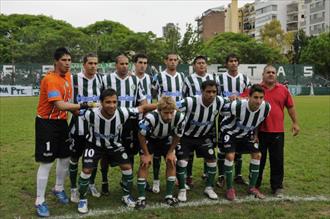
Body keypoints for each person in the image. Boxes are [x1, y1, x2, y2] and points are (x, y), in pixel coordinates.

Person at [34, 47, 95, 217]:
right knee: (46, 162)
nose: (67, 63)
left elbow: (67, 104)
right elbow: (59, 104)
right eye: (64, 60)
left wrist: (75, 111)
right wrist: (83, 106)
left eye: (69, 60)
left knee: (65, 157)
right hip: (46, 124)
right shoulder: (50, 80)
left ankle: (58, 188)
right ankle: (39, 200)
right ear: (56, 61)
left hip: (62, 122)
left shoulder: (68, 76)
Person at [76, 88, 156, 214]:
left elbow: (142, 108)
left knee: (127, 167)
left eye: (114, 102)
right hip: (94, 145)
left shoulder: (123, 112)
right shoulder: (91, 113)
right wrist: (86, 105)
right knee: (86, 170)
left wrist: (161, 104)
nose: (112, 105)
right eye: (108, 102)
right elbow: (75, 111)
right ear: (101, 102)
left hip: (114, 145)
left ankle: (126, 196)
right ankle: (82, 199)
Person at [176, 80, 229, 202]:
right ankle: (182, 189)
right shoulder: (191, 101)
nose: (211, 94)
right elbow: (173, 107)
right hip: (186, 136)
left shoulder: (220, 101)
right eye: (208, 91)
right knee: (183, 162)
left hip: (204, 136)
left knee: (211, 161)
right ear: (202, 91)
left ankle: (209, 188)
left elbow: (234, 105)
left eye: (214, 92)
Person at [101, 55, 147, 195]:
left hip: (130, 122)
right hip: (111, 121)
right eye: (121, 64)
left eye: (127, 64)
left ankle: (126, 180)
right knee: (105, 151)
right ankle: (104, 181)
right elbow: (100, 100)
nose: (124, 66)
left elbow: (142, 101)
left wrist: (142, 117)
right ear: (116, 65)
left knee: (130, 151)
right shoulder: (106, 79)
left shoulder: (134, 80)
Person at [221, 84, 271, 201]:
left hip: (246, 134)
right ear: (249, 97)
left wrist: (256, 134)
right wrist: (230, 99)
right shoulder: (237, 106)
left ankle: (252, 187)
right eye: (255, 97)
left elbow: (258, 121)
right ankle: (229, 188)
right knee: (230, 156)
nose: (258, 101)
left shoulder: (267, 108)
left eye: (261, 98)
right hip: (230, 132)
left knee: (257, 155)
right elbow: (222, 111)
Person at [256, 65, 300, 197]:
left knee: (277, 160)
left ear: (276, 75)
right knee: (258, 159)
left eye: (273, 72)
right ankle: (255, 184)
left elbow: (290, 107)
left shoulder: (283, 90)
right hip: (260, 131)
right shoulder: (257, 89)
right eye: (268, 72)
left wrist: (295, 123)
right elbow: (244, 98)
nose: (271, 74)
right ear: (263, 74)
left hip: (277, 132)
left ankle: (277, 187)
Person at [136, 96, 185, 209]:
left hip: (166, 139)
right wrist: (146, 154)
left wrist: (171, 151)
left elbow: (178, 135)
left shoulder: (179, 117)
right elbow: (141, 135)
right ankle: (141, 198)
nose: (169, 116)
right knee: (145, 164)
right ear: (159, 111)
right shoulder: (151, 117)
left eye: (171, 113)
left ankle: (169, 195)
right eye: (166, 113)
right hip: (150, 139)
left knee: (171, 161)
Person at [68, 53, 104, 203]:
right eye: (90, 63)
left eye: (95, 63)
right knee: (75, 158)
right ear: (84, 64)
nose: (93, 66)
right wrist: (73, 110)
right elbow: (67, 102)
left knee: (93, 158)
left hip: (94, 128)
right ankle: (73, 188)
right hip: (78, 127)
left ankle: (91, 184)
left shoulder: (101, 79)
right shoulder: (73, 79)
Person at [151, 53, 185, 193]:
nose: (172, 62)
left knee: (174, 148)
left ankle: (175, 176)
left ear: (178, 62)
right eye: (170, 60)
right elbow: (152, 93)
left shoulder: (182, 77)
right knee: (158, 153)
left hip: (176, 117)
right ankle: (156, 180)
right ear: (165, 61)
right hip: (162, 116)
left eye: (175, 60)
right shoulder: (159, 76)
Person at [182, 55, 217, 187]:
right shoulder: (189, 79)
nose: (201, 65)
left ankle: (207, 172)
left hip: (208, 119)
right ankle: (188, 176)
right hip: (192, 118)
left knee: (208, 146)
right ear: (194, 66)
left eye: (203, 63)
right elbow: (184, 96)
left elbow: (217, 96)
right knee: (189, 150)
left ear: (206, 65)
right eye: (198, 63)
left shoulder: (213, 78)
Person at [216, 53, 251, 188]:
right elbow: (215, 96)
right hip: (224, 116)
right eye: (231, 61)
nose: (233, 63)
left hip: (240, 117)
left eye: (236, 61)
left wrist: (240, 98)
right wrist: (227, 99)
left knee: (239, 146)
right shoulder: (220, 79)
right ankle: (221, 176)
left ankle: (238, 175)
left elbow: (249, 95)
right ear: (226, 64)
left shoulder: (244, 78)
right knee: (221, 147)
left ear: (238, 63)